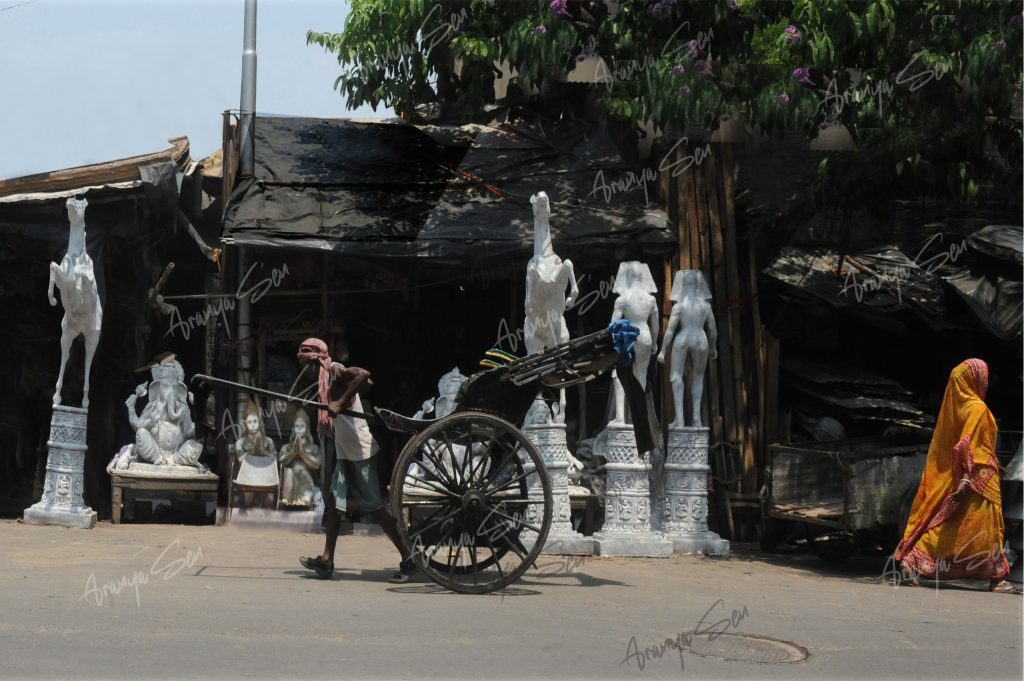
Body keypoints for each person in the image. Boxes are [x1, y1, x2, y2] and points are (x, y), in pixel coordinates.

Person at [295, 338, 416, 584]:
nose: (304, 369)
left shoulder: (335, 370)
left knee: (376, 509)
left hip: (360, 452)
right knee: (333, 502)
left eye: (306, 363)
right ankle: (327, 560)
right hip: (345, 452)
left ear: (317, 360)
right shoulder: (324, 381)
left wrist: (340, 402)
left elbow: (363, 375)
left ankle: (409, 558)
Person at [893, 358, 1017, 593]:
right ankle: (996, 578)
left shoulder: (958, 407)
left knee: (954, 526)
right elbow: (966, 446)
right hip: (978, 480)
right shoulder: (978, 408)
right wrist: (968, 480)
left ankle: (912, 562)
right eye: (984, 377)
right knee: (982, 529)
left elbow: (968, 445)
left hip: (973, 475)